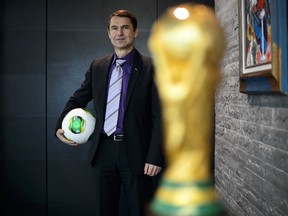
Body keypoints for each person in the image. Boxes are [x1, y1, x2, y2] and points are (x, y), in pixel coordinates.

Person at [55, 9, 164, 216]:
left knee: (139, 211)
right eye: (114, 28)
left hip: (138, 154)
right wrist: (60, 126)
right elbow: (78, 99)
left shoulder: (152, 68)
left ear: (135, 32)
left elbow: (161, 116)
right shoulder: (98, 66)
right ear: (108, 33)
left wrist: (155, 156)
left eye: (125, 27)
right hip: (102, 151)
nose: (119, 32)